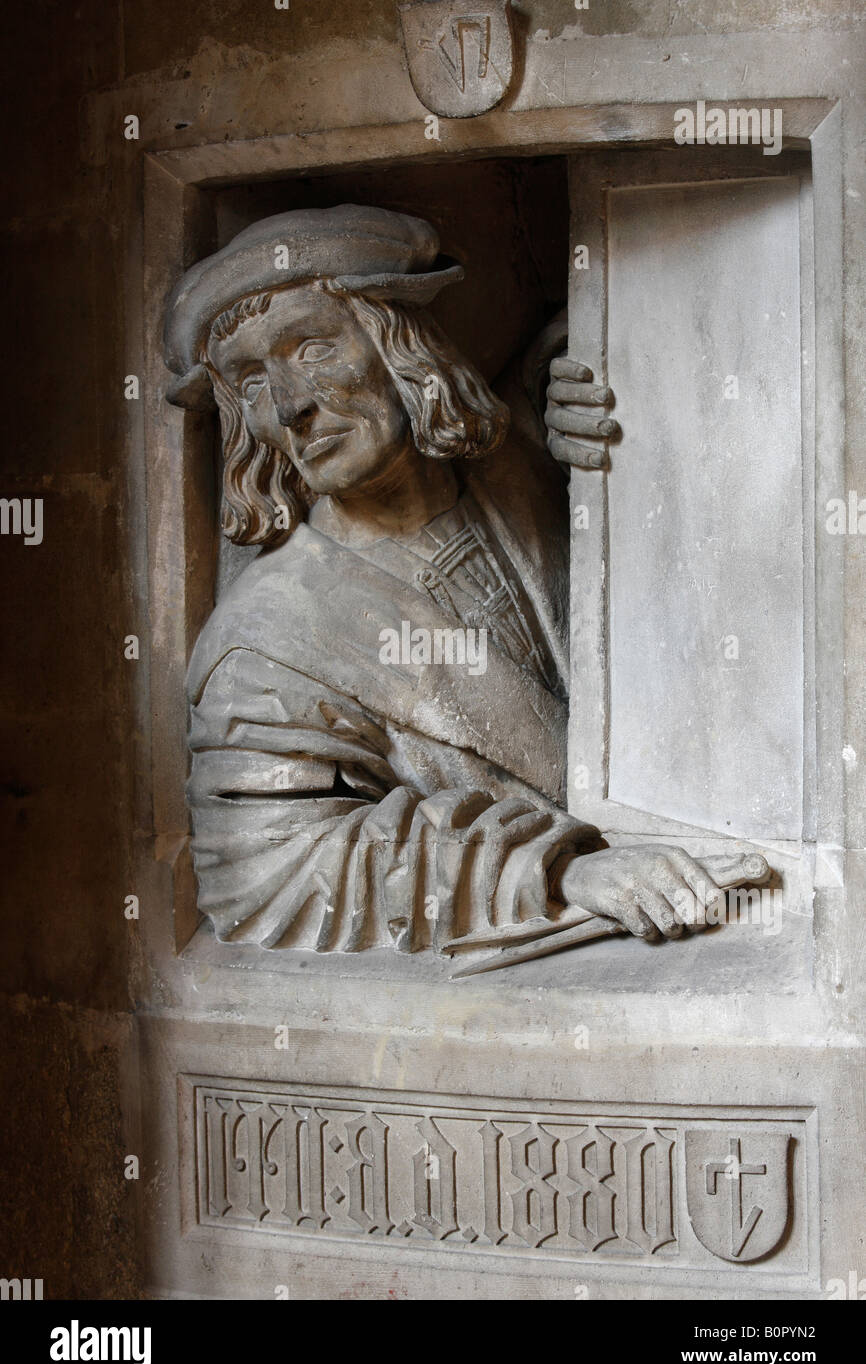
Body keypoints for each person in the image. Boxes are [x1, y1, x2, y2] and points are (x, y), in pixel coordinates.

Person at [164, 204, 758, 958]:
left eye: (312, 348)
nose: (289, 404)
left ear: (400, 345)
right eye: (250, 384)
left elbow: (642, 313)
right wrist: (556, 873)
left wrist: (580, 369)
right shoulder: (269, 642)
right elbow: (265, 876)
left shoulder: (523, 468)